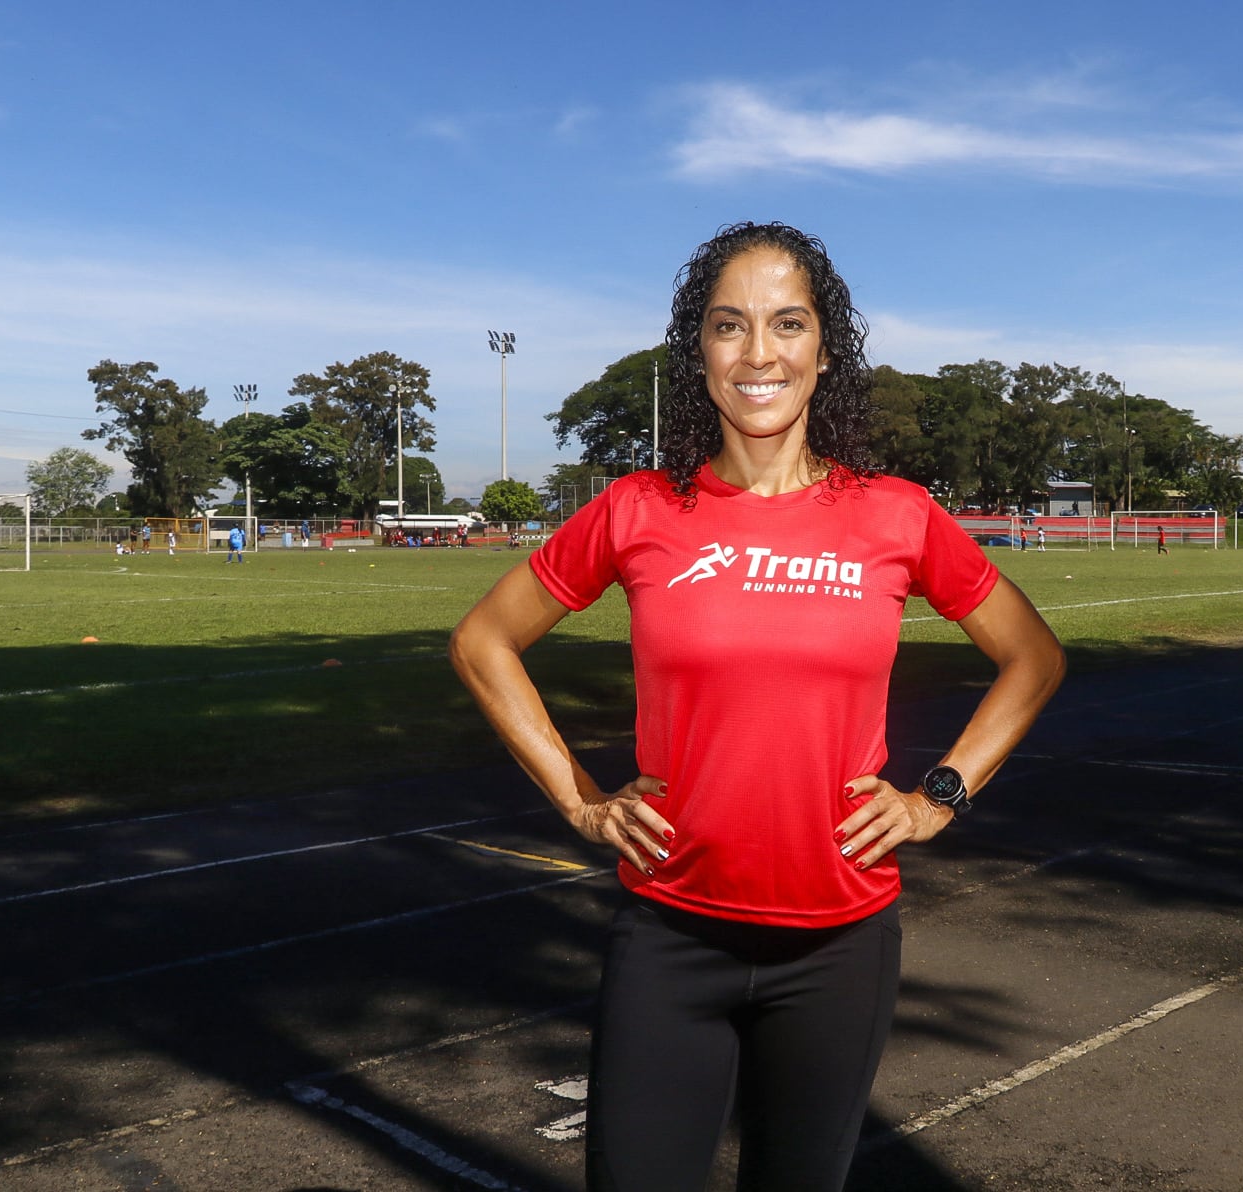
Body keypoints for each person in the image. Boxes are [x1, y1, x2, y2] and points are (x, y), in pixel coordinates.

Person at [450, 221, 1066, 1191]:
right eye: (729, 326)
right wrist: (580, 800)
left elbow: (1031, 657)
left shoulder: (896, 515)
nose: (759, 352)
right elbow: (483, 641)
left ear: (826, 350)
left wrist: (937, 796)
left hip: (840, 948)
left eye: (788, 323)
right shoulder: (639, 509)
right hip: (670, 937)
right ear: (700, 353)